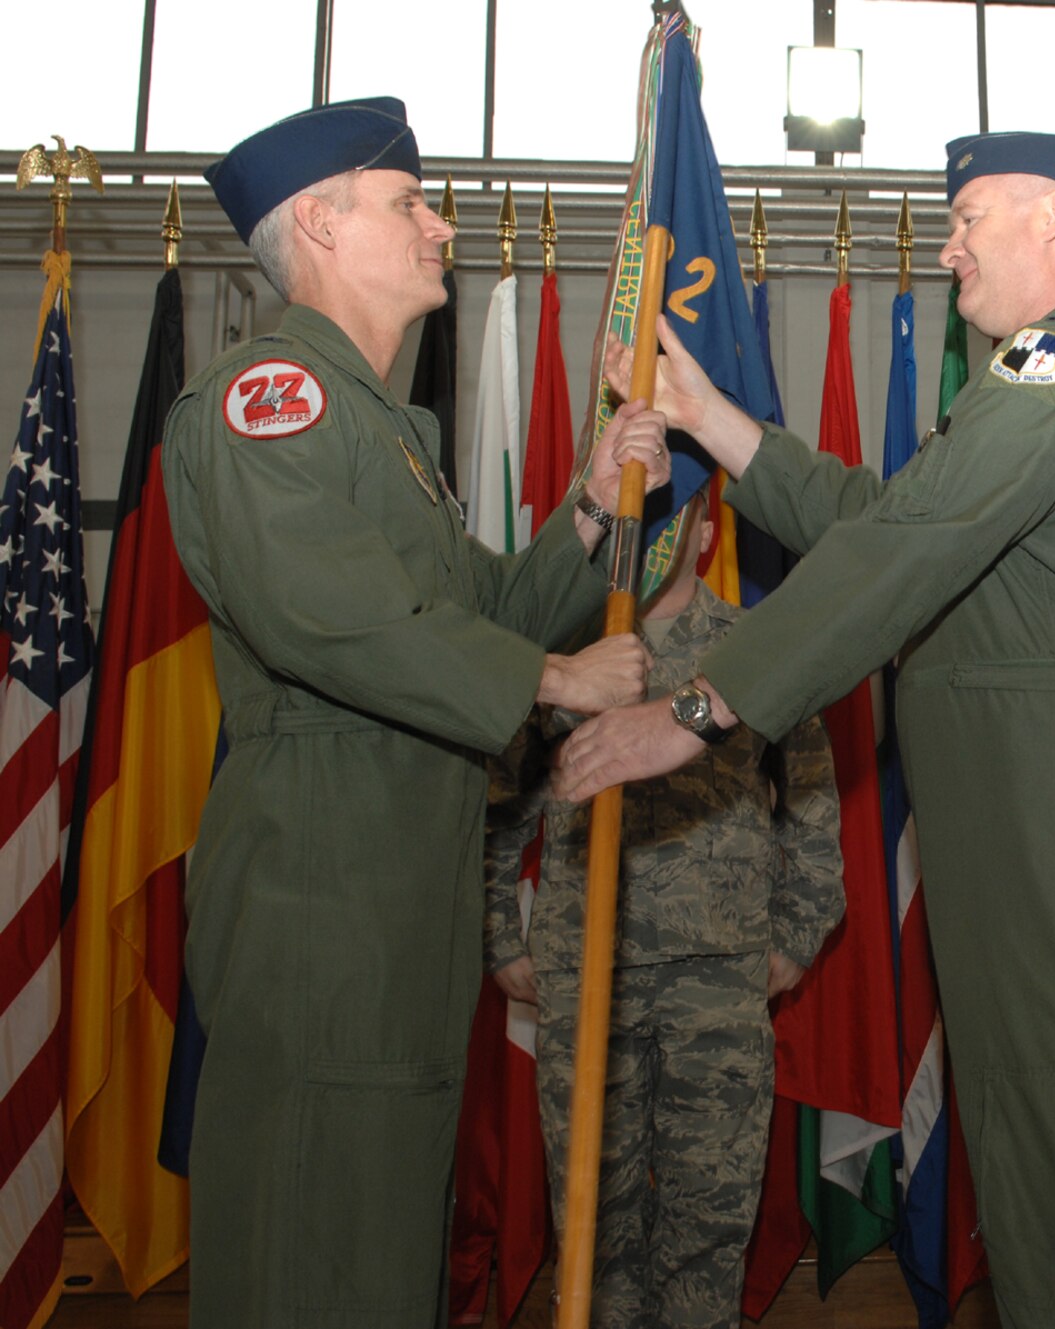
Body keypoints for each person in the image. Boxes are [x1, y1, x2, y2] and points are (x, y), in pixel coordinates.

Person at [555, 131, 1055, 1328]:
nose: (948, 243)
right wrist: (709, 416)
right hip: (1041, 828)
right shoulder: (1034, 385)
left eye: (973, 216)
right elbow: (885, 515)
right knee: (1043, 1199)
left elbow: (901, 549)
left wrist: (699, 712)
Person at [163, 96, 673, 1328]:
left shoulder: (383, 425)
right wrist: (556, 684)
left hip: (397, 889)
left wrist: (590, 512)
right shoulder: (270, 401)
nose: (440, 225)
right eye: (409, 204)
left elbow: (476, 610)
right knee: (309, 1247)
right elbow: (331, 619)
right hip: (321, 892)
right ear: (321, 225)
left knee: (379, 1242)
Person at [483, 489, 844, 1329]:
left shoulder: (756, 648)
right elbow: (503, 794)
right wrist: (501, 930)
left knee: (708, 1225)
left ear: (707, 533)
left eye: (675, 512)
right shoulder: (569, 651)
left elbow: (814, 794)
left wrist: (797, 929)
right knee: (593, 1223)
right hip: (587, 972)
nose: (654, 530)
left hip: (717, 976)